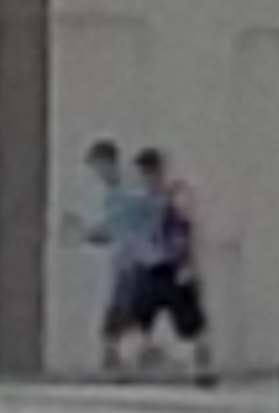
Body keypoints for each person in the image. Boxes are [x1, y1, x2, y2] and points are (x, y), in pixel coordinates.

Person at [68, 139, 160, 372]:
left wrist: (90, 233)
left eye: (99, 165)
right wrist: (90, 235)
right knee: (122, 316)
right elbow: (113, 232)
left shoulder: (128, 192)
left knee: (122, 316)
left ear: (109, 163)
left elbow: (125, 226)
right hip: (124, 263)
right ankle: (134, 354)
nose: (97, 172)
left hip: (136, 263)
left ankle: (134, 355)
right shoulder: (113, 194)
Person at [128, 147, 212, 382]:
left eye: (151, 172)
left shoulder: (173, 198)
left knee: (190, 323)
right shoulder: (139, 202)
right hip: (148, 268)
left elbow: (183, 232)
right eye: (144, 173)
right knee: (139, 321)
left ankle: (200, 365)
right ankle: (137, 363)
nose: (147, 178)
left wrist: (186, 264)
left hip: (172, 268)